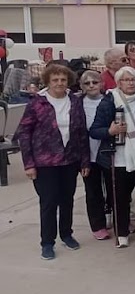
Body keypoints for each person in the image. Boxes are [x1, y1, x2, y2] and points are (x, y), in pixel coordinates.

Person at [15, 64, 91, 260]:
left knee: (67, 200)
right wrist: (29, 164)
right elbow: (24, 134)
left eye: (63, 80)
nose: (59, 83)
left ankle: (66, 233)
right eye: (55, 80)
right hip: (45, 162)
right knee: (49, 202)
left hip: (70, 160)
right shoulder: (37, 103)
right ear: (48, 81)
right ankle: (47, 242)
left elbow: (81, 132)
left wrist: (84, 161)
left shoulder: (74, 101)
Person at [89, 66, 135, 248]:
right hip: (119, 158)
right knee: (119, 198)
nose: (130, 83)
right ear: (118, 83)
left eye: (133, 79)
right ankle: (122, 233)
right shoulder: (108, 102)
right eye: (126, 80)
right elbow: (95, 130)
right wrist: (110, 131)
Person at [79, 70, 112, 240]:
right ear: (81, 86)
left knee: (114, 188)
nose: (91, 85)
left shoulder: (110, 100)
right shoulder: (76, 104)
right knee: (93, 192)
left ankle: (119, 219)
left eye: (95, 82)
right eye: (87, 83)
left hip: (109, 152)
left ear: (102, 83)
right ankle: (98, 225)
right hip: (88, 155)